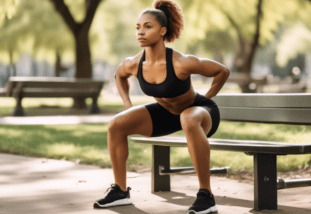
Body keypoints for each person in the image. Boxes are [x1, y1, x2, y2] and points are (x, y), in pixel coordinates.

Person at [93, 0, 230, 213]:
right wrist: (127, 105)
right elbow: (119, 76)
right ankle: (120, 192)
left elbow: (222, 71)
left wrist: (207, 97)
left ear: (162, 31)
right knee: (116, 125)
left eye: (148, 27)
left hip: (201, 113)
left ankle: (206, 195)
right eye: (138, 27)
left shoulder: (181, 62)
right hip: (169, 114)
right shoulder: (134, 63)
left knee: (188, 117)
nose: (140, 32)